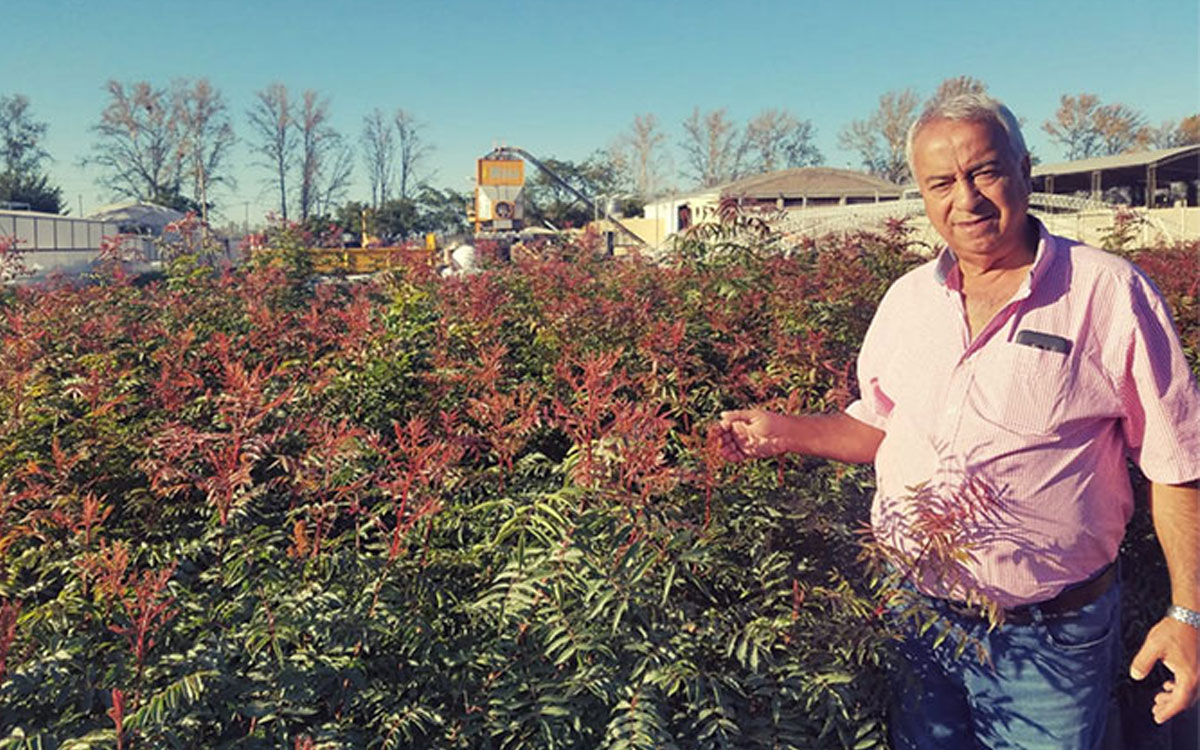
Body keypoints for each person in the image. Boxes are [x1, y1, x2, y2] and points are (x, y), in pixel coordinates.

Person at [712, 92, 1200, 749]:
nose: (965, 199)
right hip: (918, 620)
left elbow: (1178, 464)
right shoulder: (908, 300)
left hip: (1049, 641)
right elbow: (882, 427)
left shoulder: (1109, 292)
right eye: (941, 182)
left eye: (985, 172)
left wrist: (1188, 613)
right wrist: (783, 431)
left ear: (1026, 169)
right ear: (921, 193)